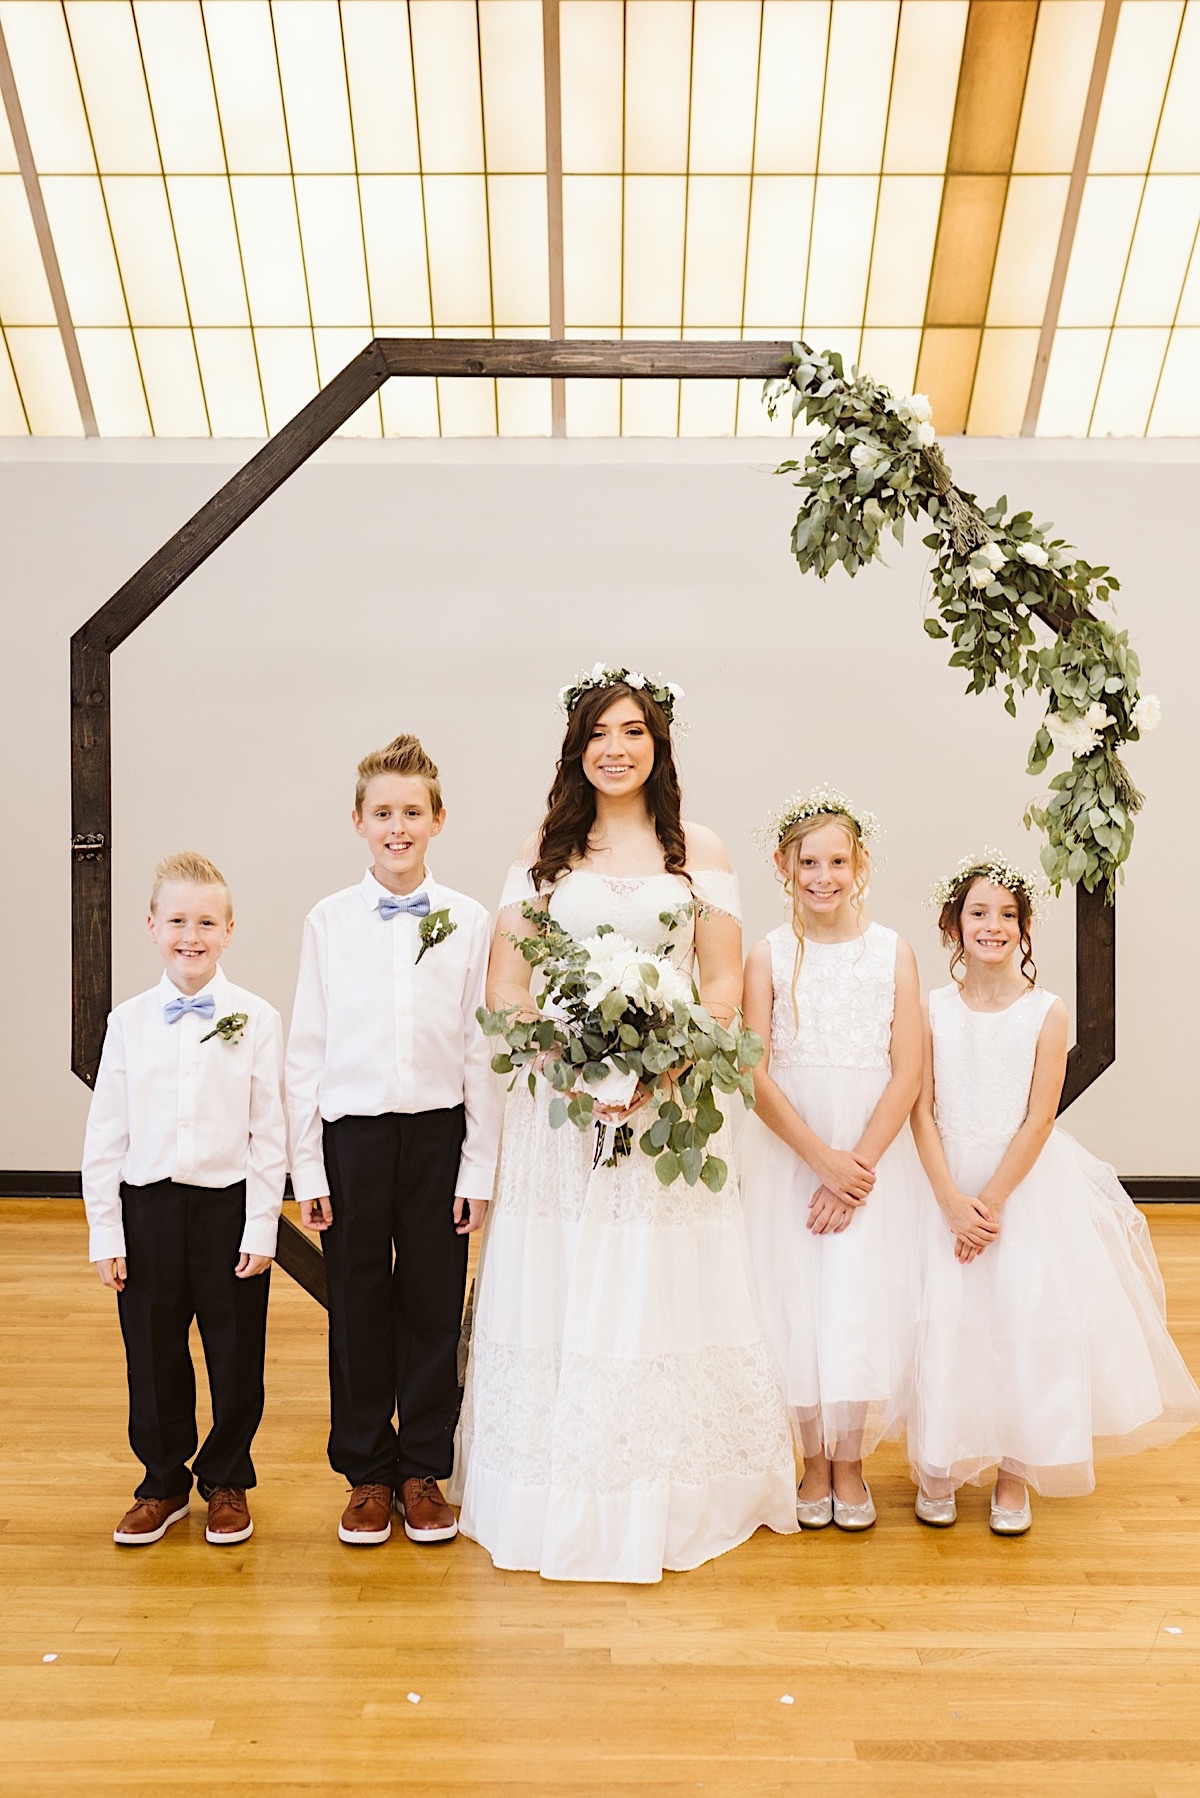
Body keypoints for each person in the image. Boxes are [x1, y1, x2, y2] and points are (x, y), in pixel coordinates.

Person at [453, 666, 797, 1583]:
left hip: (669, 1109)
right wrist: (570, 1070)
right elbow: (508, 986)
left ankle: (668, 1489)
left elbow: (720, 982)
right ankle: (559, 1485)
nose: (617, 747)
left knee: (655, 1277)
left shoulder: (700, 848)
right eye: (600, 731)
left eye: (634, 730)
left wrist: (667, 1066)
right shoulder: (544, 849)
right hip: (561, 1116)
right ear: (577, 746)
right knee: (568, 1278)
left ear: (659, 744)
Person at [909, 853, 1200, 1534]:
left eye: (1008, 915)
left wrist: (993, 1201)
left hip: (1024, 1184)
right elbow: (920, 1109)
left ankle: (1017, 1467)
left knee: (1024, 1321)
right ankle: (940, 1461)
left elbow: (1041, 1116)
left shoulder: (1046, 1011)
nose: (993, 927)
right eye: (979, 913)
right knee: (944, 1319)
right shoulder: (932, 1009)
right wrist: (952, 1199)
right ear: (953, 925)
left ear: (1026, 928)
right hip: (944, 1178)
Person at [287, 734, 499, 1547]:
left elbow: (480, 1049)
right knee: (359, 1306)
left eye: (412, 812)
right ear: (358, 822)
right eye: (383, 813)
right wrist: (308, 1164)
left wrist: (478, 1164)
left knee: (432, 1305)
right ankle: (368, 1472)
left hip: (439, 1136)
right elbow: (308, 1045)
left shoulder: (470, 920)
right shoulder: (328, 921)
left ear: (438, 820)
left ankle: (423, 1471)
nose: (397, 826)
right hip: (354, 1140)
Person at [82, 852, 285, 1547]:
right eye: (176, 920)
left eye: (205, 921)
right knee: (153, 1352)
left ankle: (226, 1477)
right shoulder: (128, 1023)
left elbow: (270, 1133)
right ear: (150, 927)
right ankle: (162, 1481)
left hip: (228, 1211)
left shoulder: (256, 1018)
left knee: (234, 1354)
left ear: (229, 931)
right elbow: (105, 1134)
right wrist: (106, 1234)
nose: (190, 935)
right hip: (149, 1213)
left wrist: (263, 1226)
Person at [740, 789, 925, 1530]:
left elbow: (907, 1070)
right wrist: (820, 1160)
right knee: (794, 1299)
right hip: (793, 1150)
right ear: (782, 866)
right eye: (807, 862)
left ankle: (850, 1460)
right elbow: (752, 1069)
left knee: (855, 1300)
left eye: (837, 861)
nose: (823, 876)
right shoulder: (769, 954)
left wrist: (856, 1172)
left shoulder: (894, 952)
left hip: (872, 1158)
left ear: (862, 865)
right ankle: (809, 1458)